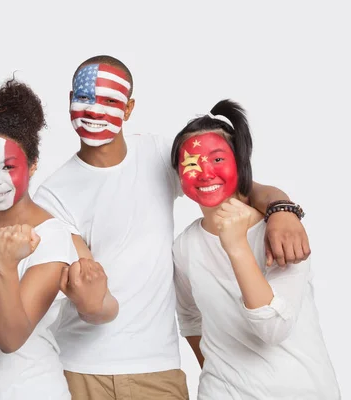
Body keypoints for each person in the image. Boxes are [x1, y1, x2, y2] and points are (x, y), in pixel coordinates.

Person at [33, 55, 312, 399]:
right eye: (85, 98)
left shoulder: (157, 154)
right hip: (78, 369)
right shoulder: (51, 194)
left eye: (109, 100)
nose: (94, 111)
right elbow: (86, 293)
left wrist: (281, 209)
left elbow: (228, 182)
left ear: (129, 107)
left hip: (155, 370)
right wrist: (91, 302)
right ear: (70, 99)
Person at [0, 78, 118, 400]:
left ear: (33, 164)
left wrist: (5, 266)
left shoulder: (51, 237)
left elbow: (10, 339)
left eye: (8, 167)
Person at [171, 99, 340, 399]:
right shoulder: (185, 246)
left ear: (239, 163)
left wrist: (236, 246)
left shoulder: (280, 231)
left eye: (218, 159)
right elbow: (189, 316)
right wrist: (220, 375)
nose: (206, 171)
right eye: (192, 162)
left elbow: (272, 329)